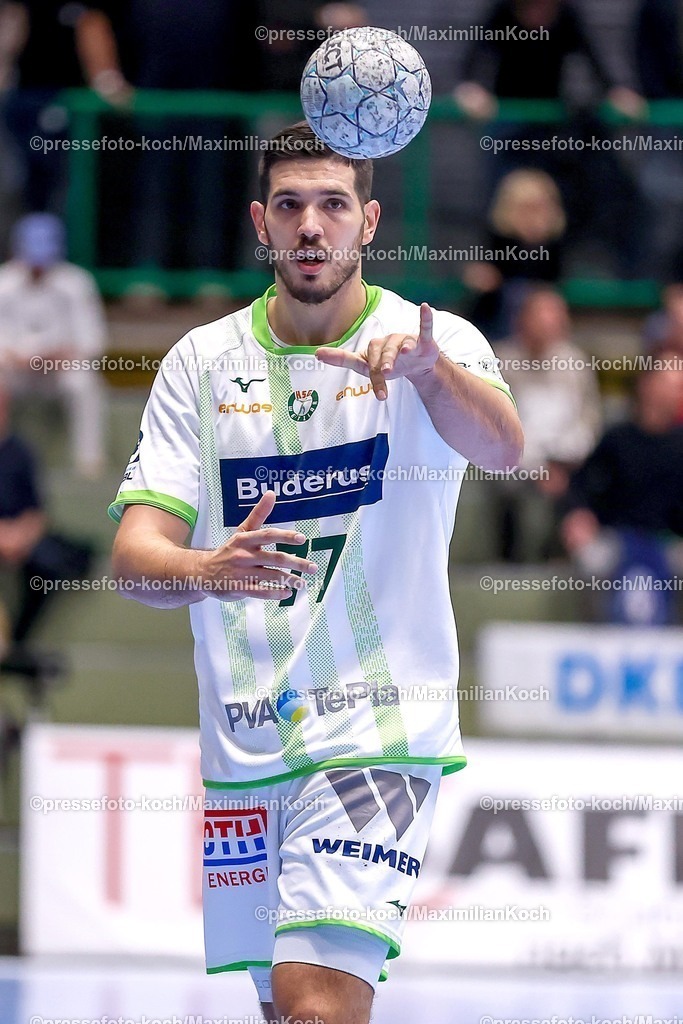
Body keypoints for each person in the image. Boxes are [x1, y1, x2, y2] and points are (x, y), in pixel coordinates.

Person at [109, 121, 523, 1024]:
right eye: (290, 205)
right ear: (261, 221)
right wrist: (204, 567)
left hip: (376, 732)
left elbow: (503, 446)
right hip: (245, 744)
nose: (310, 226)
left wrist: (430, 377)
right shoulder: (199, 363)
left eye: (332, 205)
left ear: (367, 222)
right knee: (285, 1014)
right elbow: (134, 559)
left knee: (315, 1007)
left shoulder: (430, 339)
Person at [561, 354, 683, 623]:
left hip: (669, 543)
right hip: (617, 537)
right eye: (670, 383)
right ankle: (598, 636)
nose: (677, 391)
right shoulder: (617, 439)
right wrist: (579, 515)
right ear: (647, 386)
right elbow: (581, 485)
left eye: (680, 385)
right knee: (591, 560)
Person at [494, 285, 601, 561]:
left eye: (557, 320)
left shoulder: (575, 363)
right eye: (542, 319)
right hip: (515, 464)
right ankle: (515, 566)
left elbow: (588, 421)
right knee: (516, 494)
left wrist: (561, 463)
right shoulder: (500, 360)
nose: (551, 327)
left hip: (567, 463)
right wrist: (540, 468)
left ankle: (567, 561)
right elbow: (496, 427)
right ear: (523, 321)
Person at [0, 212, 107, 476]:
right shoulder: (4, 282)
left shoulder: (77, 282)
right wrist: (14, 356)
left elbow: (94, 341)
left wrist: (60, 355)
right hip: (16, 370)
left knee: (83, 382)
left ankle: (89, 461)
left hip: (60, 369)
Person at [0, 373, 91, 655]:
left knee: (51, 562)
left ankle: (18, 641)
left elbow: (37, 511)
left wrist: (20, 537)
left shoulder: (21, 451)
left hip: (18, 535)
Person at [464, 168, 566, 340]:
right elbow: (479, 280)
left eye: (539, 208)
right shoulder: (494, 240)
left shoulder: (554, 245)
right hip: (496, 327)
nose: (533, 216)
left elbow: (551, 284)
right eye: (526, 208)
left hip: (537, 333)